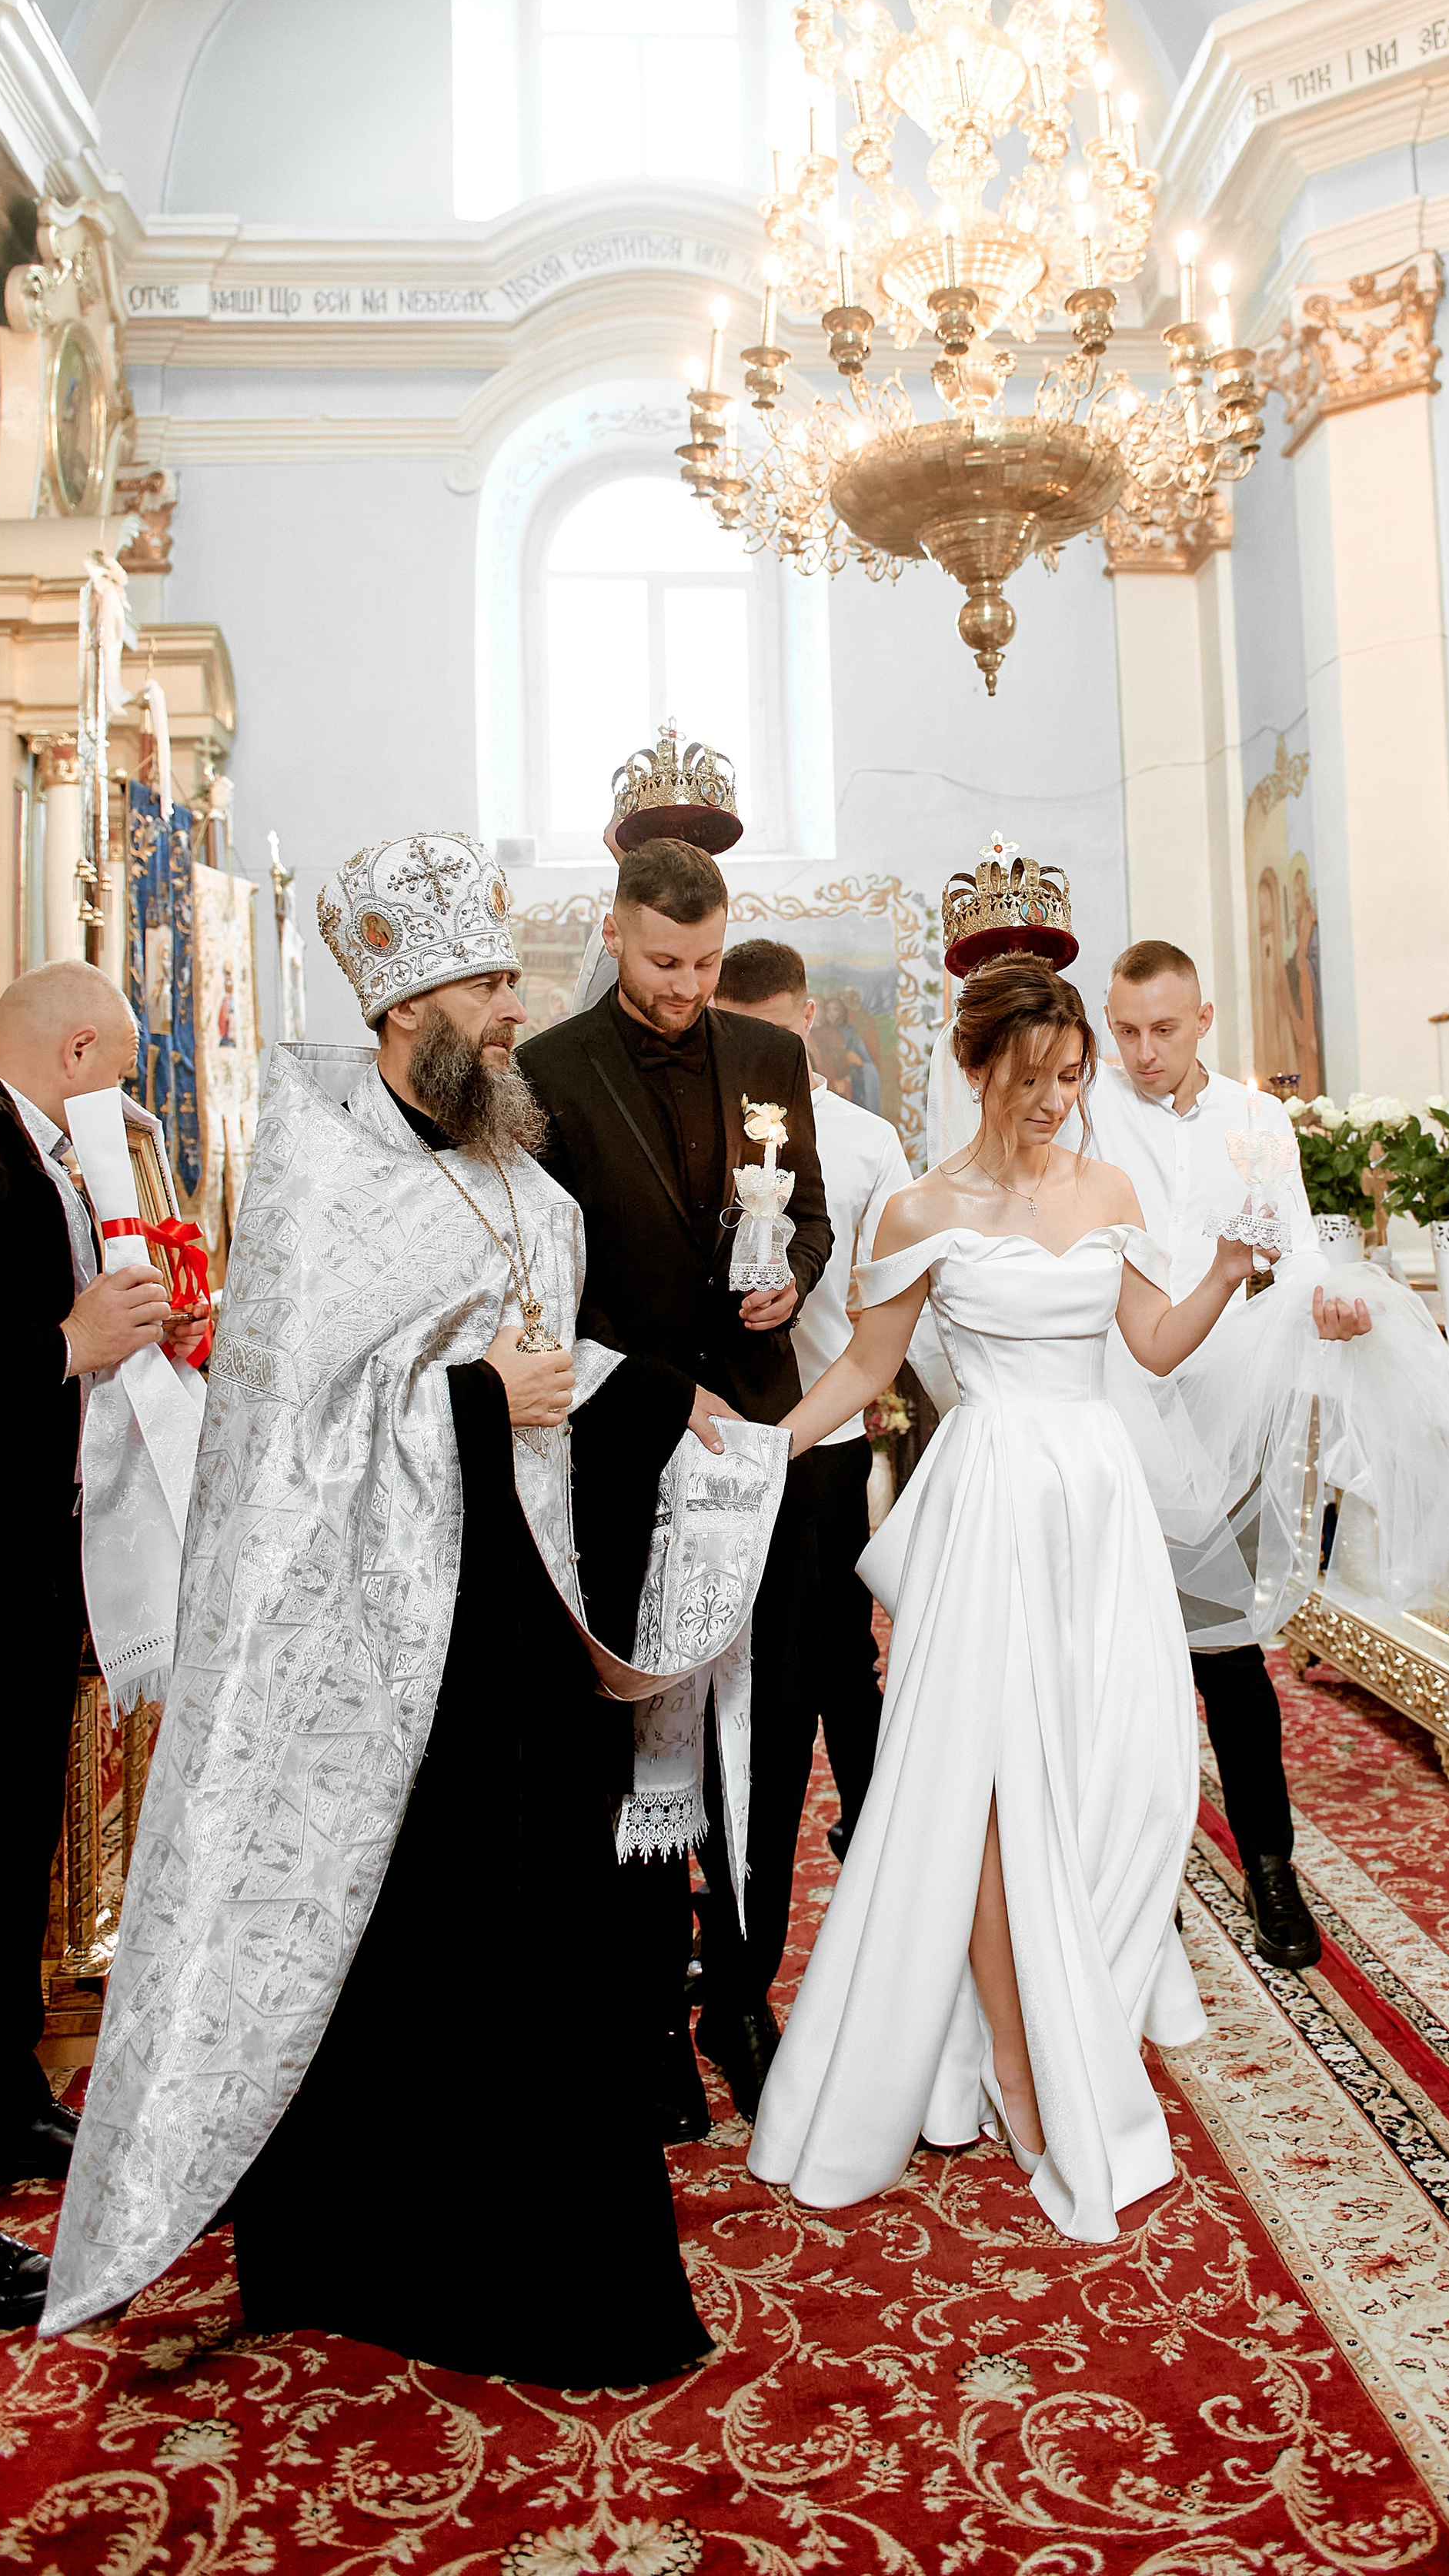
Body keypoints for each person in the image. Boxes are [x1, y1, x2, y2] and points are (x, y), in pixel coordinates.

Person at [42, 833, 782, 2387]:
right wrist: (464, 1398)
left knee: (538, 1942)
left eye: (511, 979)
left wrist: (661, 1392)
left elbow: (545, 1360)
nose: (513, 1010)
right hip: (386, 1654)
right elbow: (287, 1436)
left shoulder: (517, 1170)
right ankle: (364, 2247)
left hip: (519, 1623)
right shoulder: (324, 1179)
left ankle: (530, 2250)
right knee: (402, 1942)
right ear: (400, 1007)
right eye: (483, 986)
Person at [747, 957, 1371, 2244]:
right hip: (988, 1500)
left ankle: (1070, 1987)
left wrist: (1233, 1267)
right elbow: (868, 1364)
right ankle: (1021, 2060)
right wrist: (766, 1448)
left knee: (1129, 1768)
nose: (1057, 1102)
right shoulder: (919, 1207)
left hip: (1096, 1494)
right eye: (1033, 1080)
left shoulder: (1111, 1187)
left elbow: (1148, 1340)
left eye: (1073, 1078)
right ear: (979, 1070)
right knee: (982, 1783)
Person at [519, 840, 833, 2131]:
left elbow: (804, 1212)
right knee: (642, 1727)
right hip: (627, 1443)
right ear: (615, 930)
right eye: (661, 961)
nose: (686, 986)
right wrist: (653, 1387)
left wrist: (795, 1275)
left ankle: (742, 1995)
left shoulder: (770, 1058)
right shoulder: (546, 1072)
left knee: (762, 1722)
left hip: (755, 1429)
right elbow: (546, 1278)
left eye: (705, 963)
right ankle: (646, 2011)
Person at [0, 964, 183, 2330]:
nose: (126, 1101)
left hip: (25, 1565)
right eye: (120, 1070)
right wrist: (62, 1342)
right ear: (77, 1047)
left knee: (1, 1857)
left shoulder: (42, 1147)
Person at [1089, 941, 1327, 1968]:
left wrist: (1332, 1306)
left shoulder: (1256, 1118)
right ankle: (1148, 1890)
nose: (1144, 1053)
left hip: (1228, 1414)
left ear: (1207, 1019)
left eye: (1166, 1030)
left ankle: (1270, 1868)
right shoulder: (1087, 1108)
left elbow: (1300, 1249)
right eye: (1127, 1030)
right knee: (1125, 1665)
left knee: (1231, 1663)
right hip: (1117, 1408)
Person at [712, 938, 922, 1858]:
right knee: (731, 1663)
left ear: (807, 1017)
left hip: (824, 1435)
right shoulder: (701, 1121)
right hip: (714, 1431)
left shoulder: (869, 1142)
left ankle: (874, 1835)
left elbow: (896, 1296)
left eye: (775, 1035)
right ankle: (736, 1875)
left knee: (841, 1652)